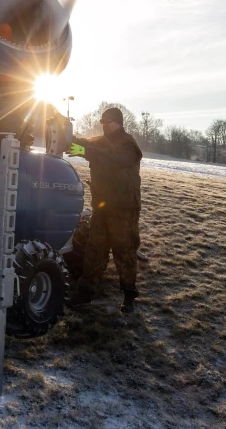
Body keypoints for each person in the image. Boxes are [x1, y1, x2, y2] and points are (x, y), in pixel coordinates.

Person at [66, 107, 143, 313]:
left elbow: (114, 156)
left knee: (124, 251)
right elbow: (85, 143)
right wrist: (66, 135)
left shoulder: (128, 144)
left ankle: (129, 295)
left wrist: (86, 152)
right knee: (94, 250)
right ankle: (85, 293)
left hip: (124, 208)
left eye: (109, 121)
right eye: (103, 122)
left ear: (119, 122)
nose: (105, 125)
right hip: (102, 206)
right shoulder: (100, 141)